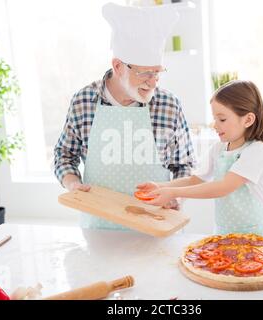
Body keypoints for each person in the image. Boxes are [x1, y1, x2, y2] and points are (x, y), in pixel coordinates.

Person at [53, 3, 195, 230]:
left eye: (157, 72)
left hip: (155, 223)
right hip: (99, 227)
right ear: (118, 66)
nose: (153, 82)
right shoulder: (83, 102)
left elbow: (184, 164)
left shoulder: (169, 105)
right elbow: (64, 154)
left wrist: (176, 197)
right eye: (144, 73)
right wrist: (73, 184)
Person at [137, 80, 263, 238]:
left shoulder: (257, 151)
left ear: (248, 120)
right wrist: (160, 186)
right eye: (215, 118)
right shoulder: (218, 149)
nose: (215, 125)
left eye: (222, 119)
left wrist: (172, 192)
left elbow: (223, 187)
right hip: (226, 234)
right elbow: (195, 180)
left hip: (256, 235)